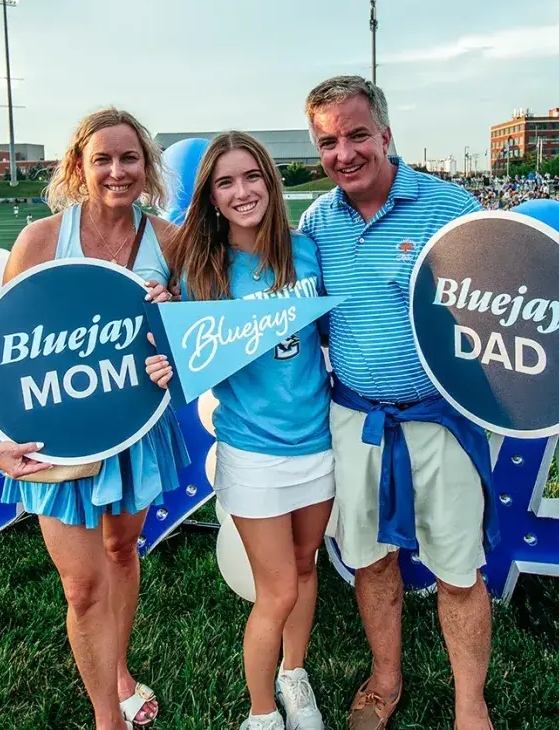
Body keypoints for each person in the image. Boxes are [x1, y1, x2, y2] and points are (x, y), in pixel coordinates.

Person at [296, 76, 559, 730]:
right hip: (355, 420)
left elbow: (524, 313)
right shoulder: (316, 223)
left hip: (439, 421)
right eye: (328, 141)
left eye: (358, 135)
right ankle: (386, 680)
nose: (344, 153)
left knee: (458, 570)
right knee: (370, 562)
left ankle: (468, 703)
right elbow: (298, 319)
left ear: (386, 135)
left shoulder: (450, 208)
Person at [0, 107, 186, 730]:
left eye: (130, 159)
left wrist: (172, 324)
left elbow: (191, 344)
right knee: (81, 586)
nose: (118, 171)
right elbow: (2, 351)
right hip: (58, 434)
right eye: (103, 159)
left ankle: (119, 671)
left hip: (133, 429)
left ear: (147, 169)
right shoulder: (42, 239)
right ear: (79, 167)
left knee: (123, 551)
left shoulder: (169, 242)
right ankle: (107, 718)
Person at [144, 132, 331, 730]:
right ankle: (260, 713)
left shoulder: (307, 252)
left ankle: (294, 678)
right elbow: (174, 355)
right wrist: (163, 342)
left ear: (271, 184)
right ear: (211, 196)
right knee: (274, 591)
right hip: (251, 451)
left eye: (252, 176)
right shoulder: (198, 270)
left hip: (318, 443)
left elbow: (323, 338)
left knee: (306, 569)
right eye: (225, 182)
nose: (242, 191)